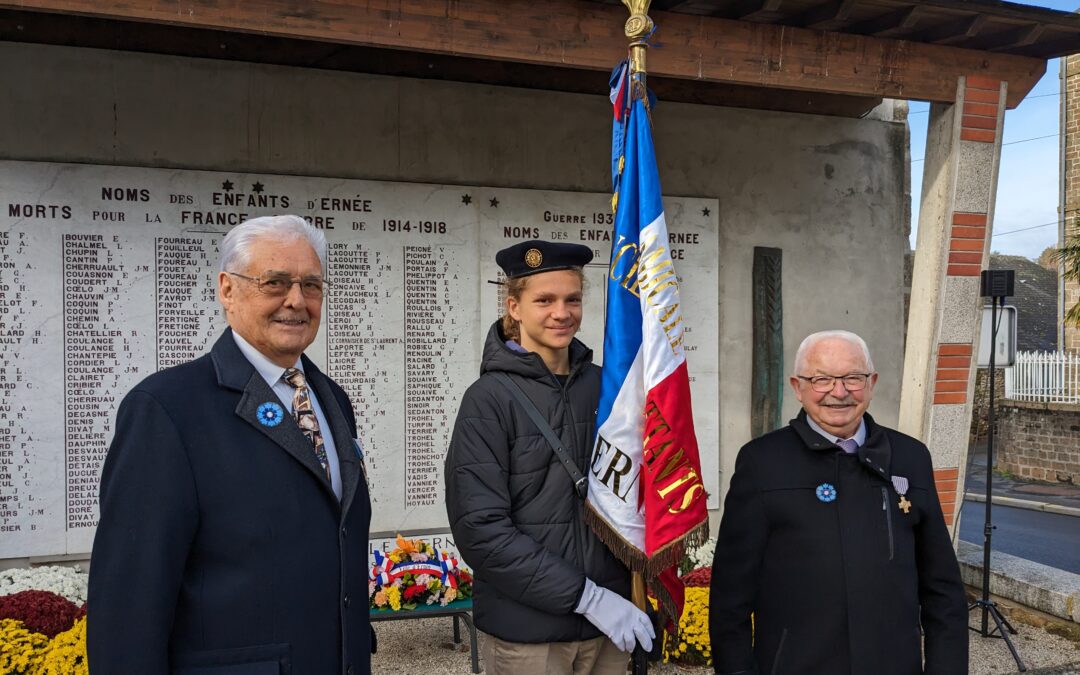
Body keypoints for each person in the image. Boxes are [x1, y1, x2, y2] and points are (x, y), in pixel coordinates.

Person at [88, 215, 374, 674]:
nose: (296, 300)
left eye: (311, 284)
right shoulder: (166, 409)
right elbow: (129, 603)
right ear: (227, 289)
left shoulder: (331, 398)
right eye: (275, 282)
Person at [444, 240, 653, 675]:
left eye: (572, 299)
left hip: (611, 629)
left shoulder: (609, 387)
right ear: (514, 307)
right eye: (545, 300)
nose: (562, 312)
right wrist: (586, 598)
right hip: (530, 636)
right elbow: (482, 531)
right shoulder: (488, 400)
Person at [709, 330, 968, 675]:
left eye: (853, 378)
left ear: (872, 383)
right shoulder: (761, 463)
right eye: (821, 379)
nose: (839, 392)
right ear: (798, 387)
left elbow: (943, 590)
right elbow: (730, 597)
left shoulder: (910, 457)